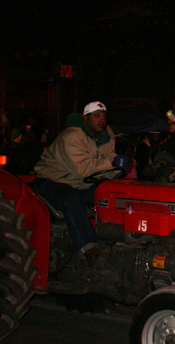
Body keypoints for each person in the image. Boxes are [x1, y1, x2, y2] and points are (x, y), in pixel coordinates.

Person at [34, 101, 121, 268]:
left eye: (103, 116)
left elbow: (103, 171)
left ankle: (115, 242)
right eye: (96, 116)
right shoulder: (71, 137)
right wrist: (113, 163)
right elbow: (84, 169)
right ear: (85, 118)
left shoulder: (106, 140)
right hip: (53, 181)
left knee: (109, 196)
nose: (101, 120)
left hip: (79, 183)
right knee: (69, 198)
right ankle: (89, 249)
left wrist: (118, 167)